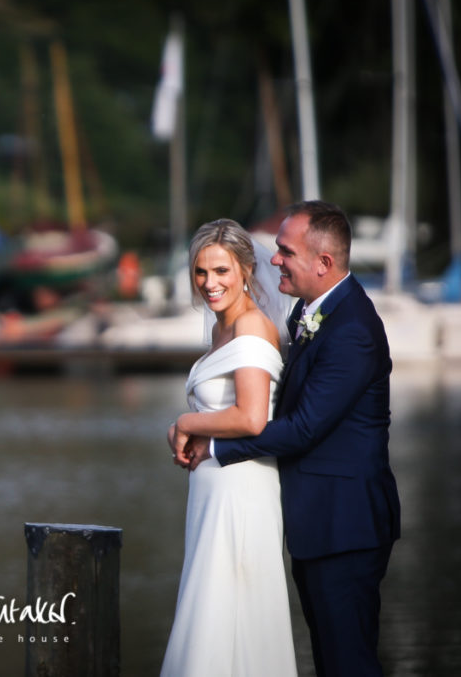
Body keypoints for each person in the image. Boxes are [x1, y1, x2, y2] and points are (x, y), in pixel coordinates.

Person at [181, 201, 401, 677]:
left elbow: (302, 427)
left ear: (323, 263)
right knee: (330, 658)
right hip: (314, 522)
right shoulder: (310, 311)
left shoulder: (353, 330)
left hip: (346, 523)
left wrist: (214, 445)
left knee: (349, 662)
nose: (273, 259)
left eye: (284, 251)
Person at [160, 218, 298, 676]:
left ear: (244, 270)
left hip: (242, 490)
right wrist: (195, 430)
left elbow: (252, 415)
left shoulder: (252, 328)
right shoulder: (221, 331)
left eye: (220, 271)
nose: (209, 283)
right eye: (201, 272)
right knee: (211, 600)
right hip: (212, 492)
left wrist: (186, 422)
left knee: (232, 604)